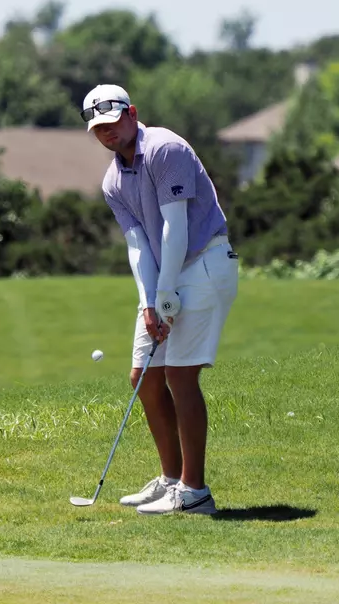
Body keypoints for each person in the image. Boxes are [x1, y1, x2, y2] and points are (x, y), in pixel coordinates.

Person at [81, 84, 239, 515]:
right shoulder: (114, 180)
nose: (108, 134)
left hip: (204, 262)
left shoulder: (166, 149)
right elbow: (138, 246)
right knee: (145, 377)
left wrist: (166, 292)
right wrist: (150, 301)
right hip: (167, 273)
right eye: (99, 129)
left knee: (181, 377)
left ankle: (195, 492)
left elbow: (175, 228)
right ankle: (171, 480)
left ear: (132, 114)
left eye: (113, 124)